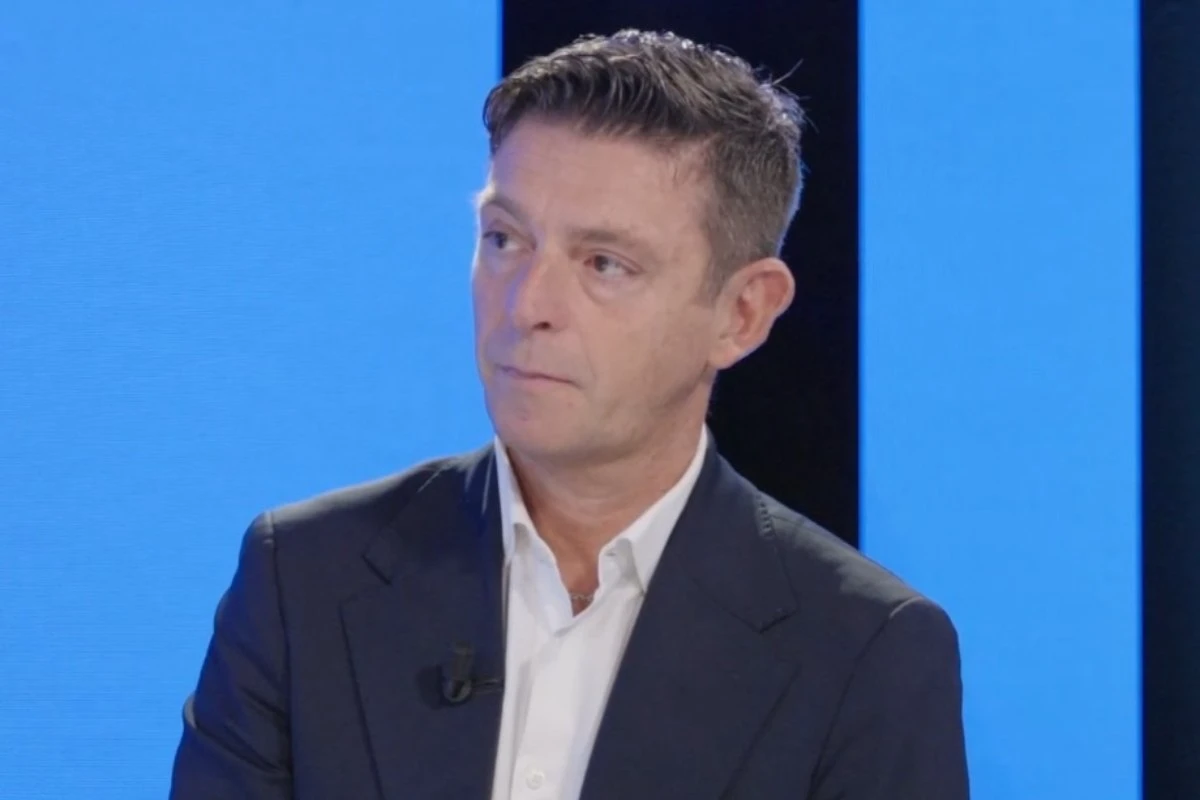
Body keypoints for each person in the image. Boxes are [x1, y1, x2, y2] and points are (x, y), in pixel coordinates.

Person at [170, 29, 969, 800]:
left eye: (604, 264)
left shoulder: (867, 652)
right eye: (504, 240)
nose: (527, 306)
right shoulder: (301, 580)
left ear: (743, 313)